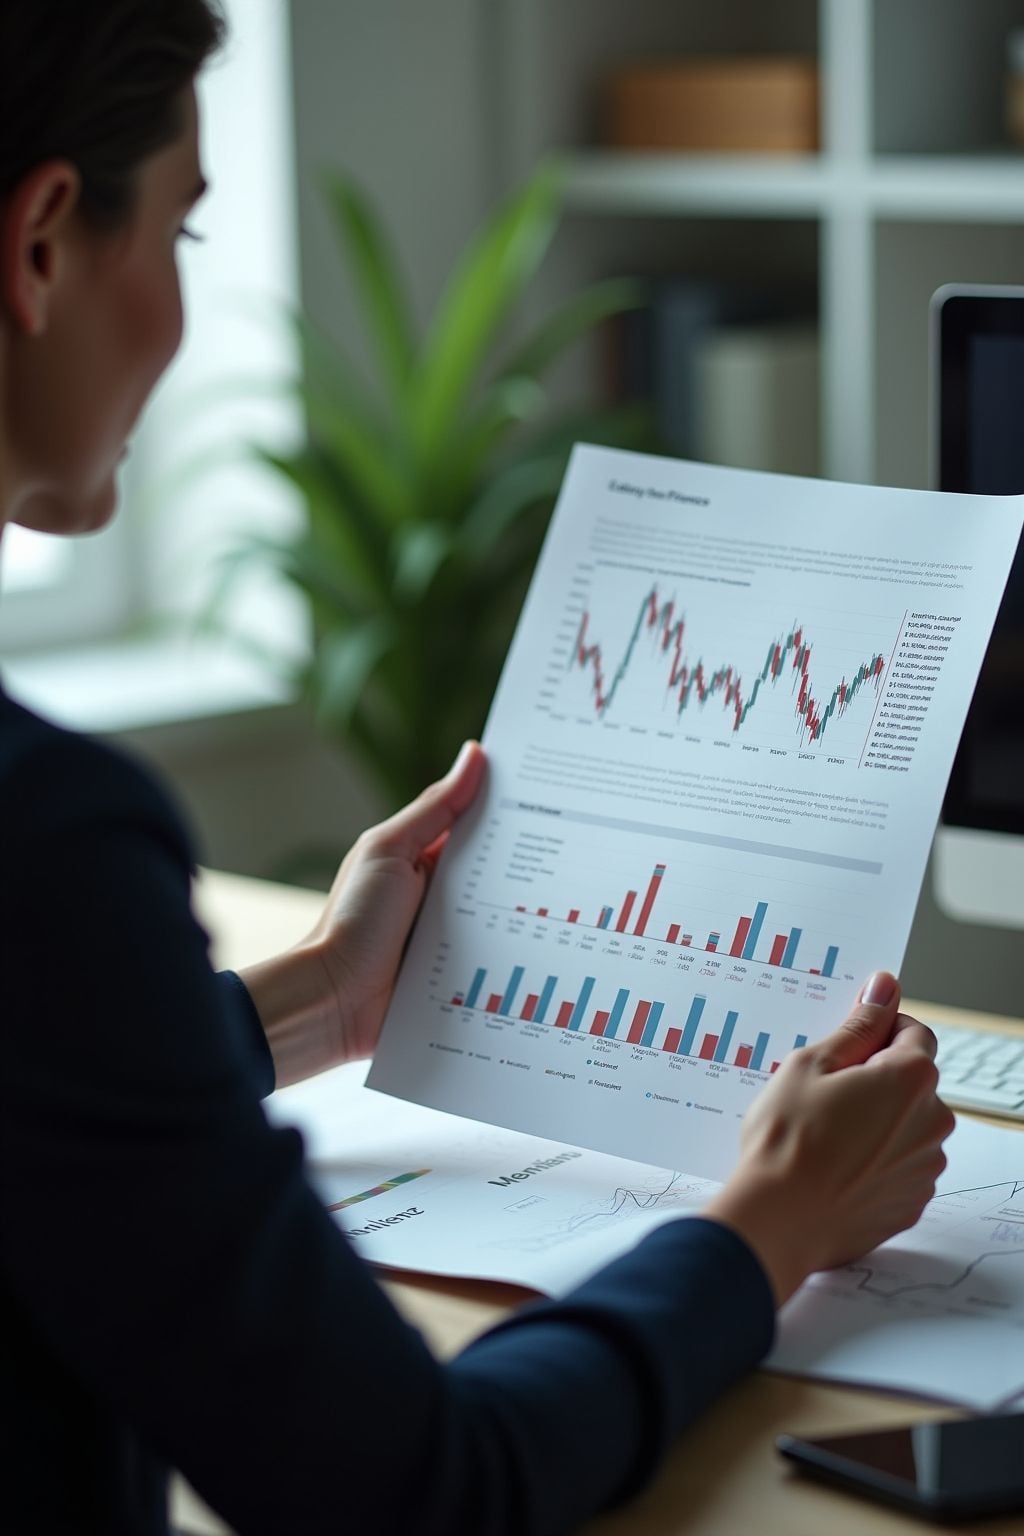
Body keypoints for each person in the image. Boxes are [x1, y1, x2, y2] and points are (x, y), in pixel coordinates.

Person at [0, 4, 955, 1533]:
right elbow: (430, 1492)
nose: (179, 312)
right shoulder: (45, 843)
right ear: (43, 241)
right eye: (180, 234)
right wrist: (769, 1224)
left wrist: (320, 994)